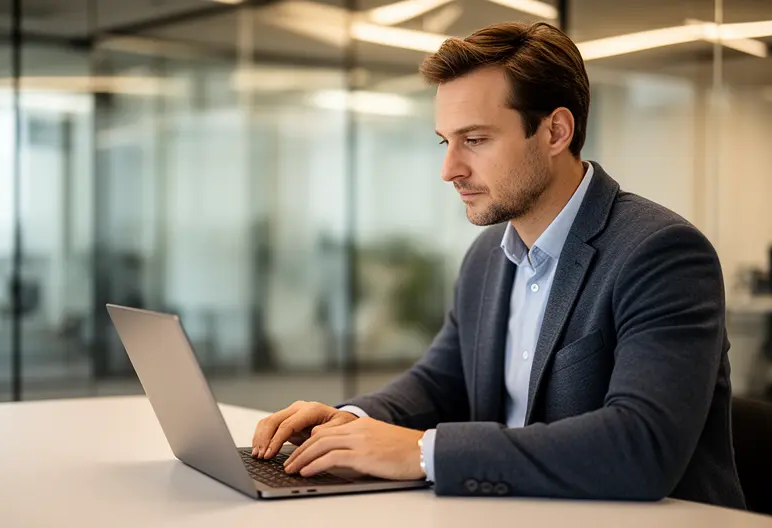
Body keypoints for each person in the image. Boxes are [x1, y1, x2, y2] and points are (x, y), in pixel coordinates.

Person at [251, 21, 746, 508]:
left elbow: (643, 446)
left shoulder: (661, 253)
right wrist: (350, 423)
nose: (450, 170)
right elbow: (440, 382)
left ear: (555, 131)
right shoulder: (490, 253)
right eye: (446, 141)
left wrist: (424, 452)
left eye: (476, 140)